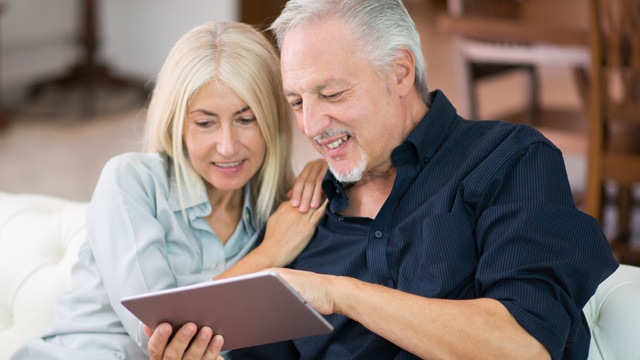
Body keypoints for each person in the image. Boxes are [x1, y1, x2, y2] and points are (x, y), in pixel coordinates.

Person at [147, 1, 619, 359]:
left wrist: (339, 292)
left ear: (399, 71)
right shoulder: (302, 215)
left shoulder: (507, 160)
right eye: (296, 102)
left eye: (331, 93)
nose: (311, 125)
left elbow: (526, 346)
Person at [10, 21, 328, 360]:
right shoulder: (130, 181)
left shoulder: (279, 213)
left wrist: (332, 171)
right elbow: (156, 332)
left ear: (272, 121)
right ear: (176, 122)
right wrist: (270, 253)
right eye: (205, 123)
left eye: (245, 120)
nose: (227, 146)